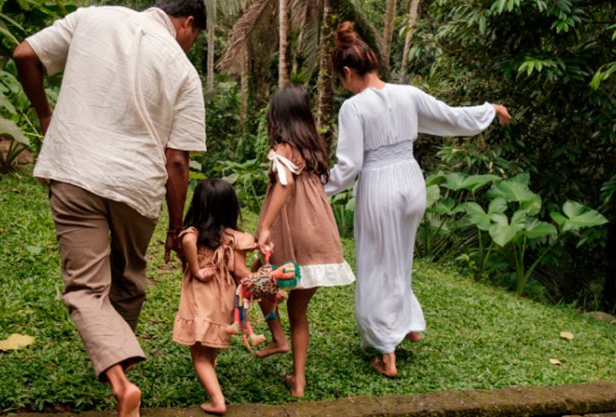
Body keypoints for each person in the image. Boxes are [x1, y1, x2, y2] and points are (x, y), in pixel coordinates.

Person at [11, 1, 207, 416]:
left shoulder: (92, 16)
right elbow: (176, 160)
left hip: (75, 169)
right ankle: (117, 360)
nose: (190, 45)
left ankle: (119, 379)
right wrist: (175, 227)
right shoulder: (184, 70)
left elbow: (25, 54)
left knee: (85, 288)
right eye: (196, 38)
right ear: (188, 23)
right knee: (130, 280)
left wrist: (45, 114)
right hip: (137, 185)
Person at [323, 22, 512, 378]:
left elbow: (349, 166)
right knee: (400, 258)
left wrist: (317, 191)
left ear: (348, 72)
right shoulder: (408, 93)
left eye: (341, 77)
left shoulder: (354, 108)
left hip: (379, 185)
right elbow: (452, 117)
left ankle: (385, 350)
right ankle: (408, 322)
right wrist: (490, 109)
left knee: (377, 264)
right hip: (411, 181)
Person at [254, 86, 356, 397]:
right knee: (298, 312)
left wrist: (264, 227)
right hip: (320, 234)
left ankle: (277, 338)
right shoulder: (313, 151)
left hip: (293, 232)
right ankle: (298, 381)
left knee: (256, 281)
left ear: (277, 117)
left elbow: (283, 186)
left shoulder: (283, 149)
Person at [172, 179, 255, 415]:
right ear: (231, 207)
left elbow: (186, 240)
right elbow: (240, 272)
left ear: (197, 205)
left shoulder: (194, 234)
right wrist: (264, 284)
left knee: (198, 354)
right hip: (225, 298)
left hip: (201, 296)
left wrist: (197, 269)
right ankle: (212, 375)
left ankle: (217, 400)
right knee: (210, 345)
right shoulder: (234, 238)